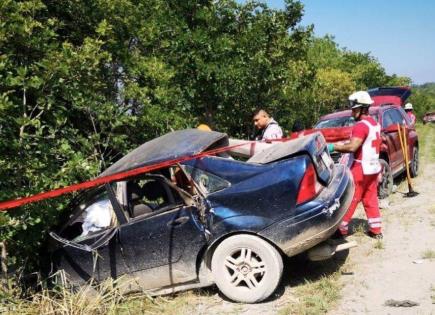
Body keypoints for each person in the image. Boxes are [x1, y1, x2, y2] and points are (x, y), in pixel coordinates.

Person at [328, 91, 383, 239]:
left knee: (350, 198)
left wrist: (333, 147)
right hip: (373, 167)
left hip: (360, 168)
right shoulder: (374, 123)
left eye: (354, 108)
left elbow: (353, 147)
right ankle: (376, 230)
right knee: (370, 198)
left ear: (362, 108)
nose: (352, 111)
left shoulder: (360, 126)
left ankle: (341, 230)